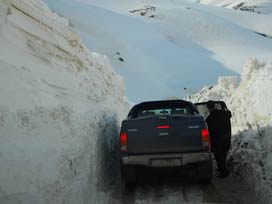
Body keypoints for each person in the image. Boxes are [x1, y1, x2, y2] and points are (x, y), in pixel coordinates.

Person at [206, 100, 232, 178]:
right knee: (223, 155)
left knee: (218, 157)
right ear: (214, 106)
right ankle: (222, 169)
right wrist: (225, 108)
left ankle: (224, 172)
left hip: (216, 140)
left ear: (208, 108)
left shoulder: (209, 119)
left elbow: (209, 131)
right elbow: (229, 114)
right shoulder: (224, 113)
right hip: (226, 137)